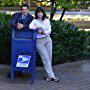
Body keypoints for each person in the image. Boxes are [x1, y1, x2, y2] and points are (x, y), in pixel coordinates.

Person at [29, 7, 59, 82]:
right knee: (45, 59)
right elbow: (30, 27)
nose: (40, 13)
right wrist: (38, 26)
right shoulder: (35, 20)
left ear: (43, 13)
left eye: (41, 12)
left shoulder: (47, 20)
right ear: (36, 13)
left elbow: (50, 30)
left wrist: (44, 32)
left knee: (49, 58)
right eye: (38, 12)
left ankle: (48, 76)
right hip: (39, 41)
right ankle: (52, 76)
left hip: (48, 40)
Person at [7, 2, 34, 78]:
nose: (24, 11)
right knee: (15, 54)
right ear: (21, 10)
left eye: (26, 9)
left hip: (26, 40)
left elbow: (31, 26)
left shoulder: (31, 18)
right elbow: (12, 24)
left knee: (23, 54)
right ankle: (14, 71)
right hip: (16, 39)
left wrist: (23, 26)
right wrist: (16, 25)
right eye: (23, 9)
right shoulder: (16, 15)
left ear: (28, 10)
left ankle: (21, 70)